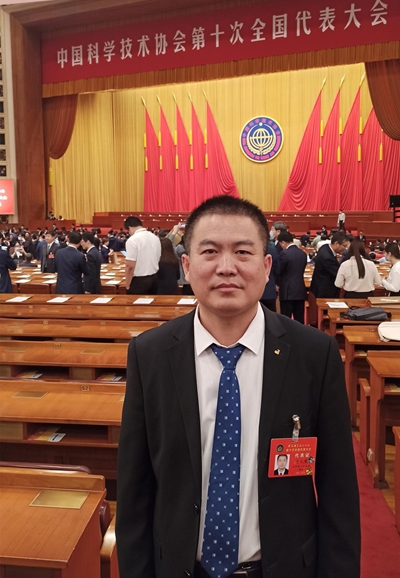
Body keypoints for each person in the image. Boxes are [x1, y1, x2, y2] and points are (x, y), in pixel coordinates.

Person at [116, 195, 360, 578]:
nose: (226, 267)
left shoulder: (314, 354)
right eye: (210, 251)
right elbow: (134, 491)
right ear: (187, 265)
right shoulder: (150, 354)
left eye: (243, 252)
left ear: (266, 266)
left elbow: (338, 490)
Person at [124, 216, 161, 295]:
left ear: (129, 228)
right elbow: (158, 257)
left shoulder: (132, 240)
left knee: (135, 303)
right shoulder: (155, 238)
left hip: (139, 280)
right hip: (154, 278)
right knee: (151, 301)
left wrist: (127, 284)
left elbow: (130, 266)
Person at [276, 231, 307, 323]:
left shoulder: (284, 254)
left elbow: (278, 271)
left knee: (285, 320)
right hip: (300, 290)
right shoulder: (303, 254)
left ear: (283, 242)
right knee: (299, 319)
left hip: (287, 291)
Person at [309, 231, 349, 298]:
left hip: (321, 286)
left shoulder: (325, 247)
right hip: (325, 291)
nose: (345, 248)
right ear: (336, 243)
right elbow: (338, 274)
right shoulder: (327, 257)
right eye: (344, 246)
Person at [260, 242, 280, 312]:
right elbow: (277, 270)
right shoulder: (273, 250)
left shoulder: (249, 249)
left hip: (252, 292)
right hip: (270, 289)